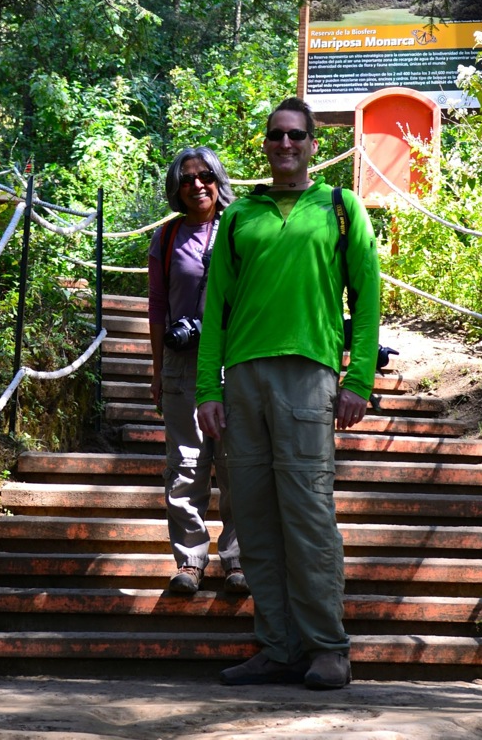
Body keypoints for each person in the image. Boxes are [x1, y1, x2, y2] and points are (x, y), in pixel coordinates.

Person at [195, 97, 381, 691]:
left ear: (313, 143)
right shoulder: (239, 215)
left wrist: (358, 381)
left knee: (307, 516)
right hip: (243, 379)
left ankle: (329, 648)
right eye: (276, 136)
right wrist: (207, 388)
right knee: (252, 516)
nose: (285, 145)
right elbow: (214, 308)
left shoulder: (340, 207)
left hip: (310, 375)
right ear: (266, 143)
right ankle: (277, 646)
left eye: (296, 136)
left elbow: (368, 298)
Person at [149, 146, 245, 597]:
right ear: (177, 188)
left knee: (235, 466)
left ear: (218, 179)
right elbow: (157, 309)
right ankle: (189, 561)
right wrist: (156, 368)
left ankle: (238, 561)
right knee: (185, 466)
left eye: (206, 175)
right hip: (183, 363)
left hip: (234, 358)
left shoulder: (240, 228)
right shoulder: (167, 238)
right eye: (187, 178)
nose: (197, 184)